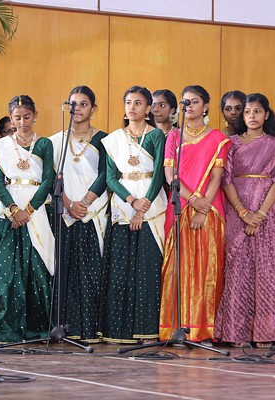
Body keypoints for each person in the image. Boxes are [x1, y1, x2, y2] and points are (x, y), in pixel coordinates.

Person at [0, 95, 55, 343]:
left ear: (35, 116)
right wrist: (13, 209)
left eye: (27, 117)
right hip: (8, 214)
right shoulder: (0, 146)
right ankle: (2, 327)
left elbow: (48, 180)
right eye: (17, 118)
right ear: (10, 119)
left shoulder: (44, 144)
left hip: (37, 212)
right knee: (4, 270)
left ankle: (36, 327)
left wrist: (28, 210)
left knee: (36, 268)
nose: (22, 122)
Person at [214, 93, 275, 347]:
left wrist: (260, 214)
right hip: (236, 210)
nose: (252, 116)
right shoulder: (231, 143)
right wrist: (243, 212)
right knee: (238, 269)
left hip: (267, 213)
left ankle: (268, 332)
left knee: (268, 269)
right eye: (247, 112)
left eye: (257, 111)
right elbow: (225, 179)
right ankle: (236, 332)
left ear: (266, 114)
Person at [160, 85, 231, 344]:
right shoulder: (174, 136)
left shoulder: (218, 138)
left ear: (206, 106)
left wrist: (203, 207)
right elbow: (170, 175)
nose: (188, 106)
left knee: (206, 269)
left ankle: (205, 329)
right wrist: (191, 199)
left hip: (209, 209)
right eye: (185, 102)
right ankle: (176, 327)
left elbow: (217, 176)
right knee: (177, 268)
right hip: (179, 206)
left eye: (194, 101)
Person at [100, 86, 167, 344]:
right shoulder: (114, 139)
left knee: (147, 269)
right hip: (122, 206)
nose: (132, 107)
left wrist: (142, 207)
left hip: (151, 207)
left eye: (138, 103)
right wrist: (131, 202)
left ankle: (146, 330)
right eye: (128, 102)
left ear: (148, 108)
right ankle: (118, 331)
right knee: (121, 269)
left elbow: (159, 174)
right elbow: (110, 178)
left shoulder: (155, 136)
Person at [49, 86, 108, 343]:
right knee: (64, 270)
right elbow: (52, 177)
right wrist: (68, 203)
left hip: (93, 212)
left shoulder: (104, 140)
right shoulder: (55, 142)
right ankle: (63, 325)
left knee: (91, 271)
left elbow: (106, 174)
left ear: (93, 109)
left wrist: (83, 202)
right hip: (64, 213)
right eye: (73, 104)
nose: (78, 109)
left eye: (84, 104)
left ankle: (90, 328)